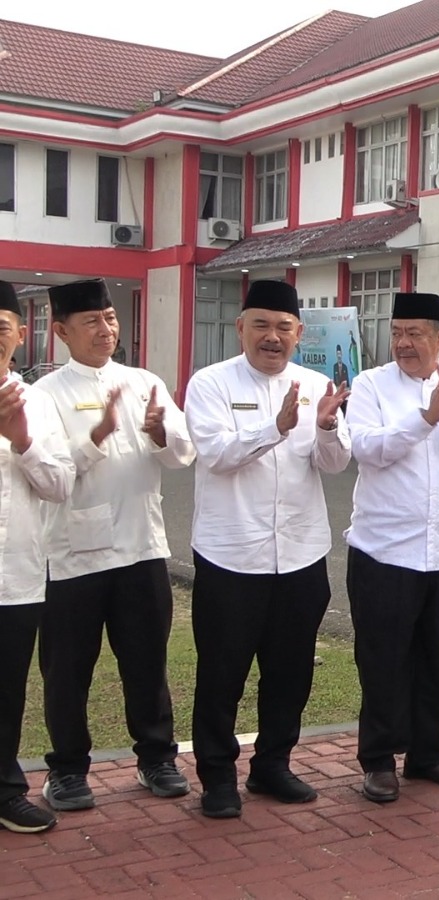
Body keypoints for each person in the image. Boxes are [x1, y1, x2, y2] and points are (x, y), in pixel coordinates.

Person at [185, 280, 351, 818]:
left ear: (299, 332)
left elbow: (334, 465)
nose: (272, 337)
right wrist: (274, 427)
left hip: (300, 554)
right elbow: (215, 455)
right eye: (261, 325)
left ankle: (273, 765)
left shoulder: (317, 385)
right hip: (231, 556)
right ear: (241, 328)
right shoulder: (210, 384)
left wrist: (326, 428)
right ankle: (217, 777)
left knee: (290, 672)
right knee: (222, 675)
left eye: (283, 327)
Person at [32, 279, 194, 813]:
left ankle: (157, 758)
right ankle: (67, 770)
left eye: (110, 318)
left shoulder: (145, 381)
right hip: (72, 556)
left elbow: (183, 454)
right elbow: (50, 473)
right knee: (68, 671)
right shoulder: (45, 394)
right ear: (62, 332)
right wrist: (96, 435)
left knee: (147, 663)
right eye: (91, 322)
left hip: (142, 549)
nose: (105, 330)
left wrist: (161, 434)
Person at [345, 292, 439, 804]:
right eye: (397, 333)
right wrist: (427, 416)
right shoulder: (371, 385)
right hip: (384, 550)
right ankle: (378, 760)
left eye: (415, 334)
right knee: (382, 659)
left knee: (436, 657)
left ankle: (427, 754)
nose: (404, 343)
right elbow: (368, 449)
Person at [0, 280, 74, 834]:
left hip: (15, 575)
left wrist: (22, 441)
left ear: (22, 334)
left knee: (7, 691)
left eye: (1, 328)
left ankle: (6, 790)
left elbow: (60, 485)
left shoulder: (38, 403)